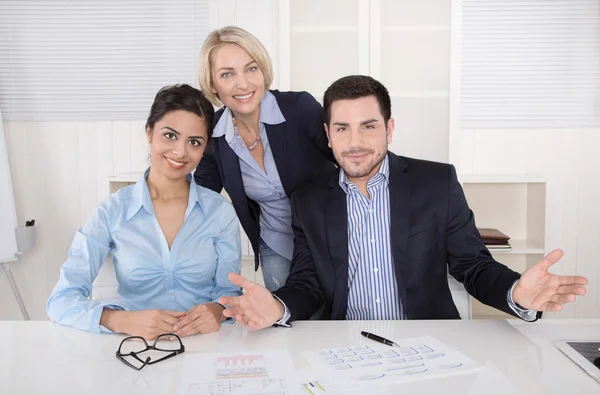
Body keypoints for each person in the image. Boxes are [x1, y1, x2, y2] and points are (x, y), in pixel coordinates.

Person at [218, 75, 589, 330]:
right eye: (342, 128)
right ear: (328, 135)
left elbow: (473, 265)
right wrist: (279, 307)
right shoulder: (309, 200)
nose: (356, 141)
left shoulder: (436, 183)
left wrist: (516, 294)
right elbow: (307, 282)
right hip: (342, 346)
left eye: (369, 125)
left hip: (431, 343)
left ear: (389, 129)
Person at [47, 84, 242, 339]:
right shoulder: (112, 211)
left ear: (204, 147)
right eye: (170, 136)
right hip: (134, 350)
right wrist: (119, 319)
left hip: (204, 348)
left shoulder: (220, 213)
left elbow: (230, 295)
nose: (180, 152)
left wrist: (216, 310)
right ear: (150, 132)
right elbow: (61, 300)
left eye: (194, 142)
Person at [194, 26, 336, 292]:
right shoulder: (213, 134)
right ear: (212, 83)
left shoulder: (299, 109)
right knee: (286, 324)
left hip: (330, 239)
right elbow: (201, 198)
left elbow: (348, 161)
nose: (243, 83)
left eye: (251, 68)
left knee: (335, 322)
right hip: (276, 245)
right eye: (227, 74)